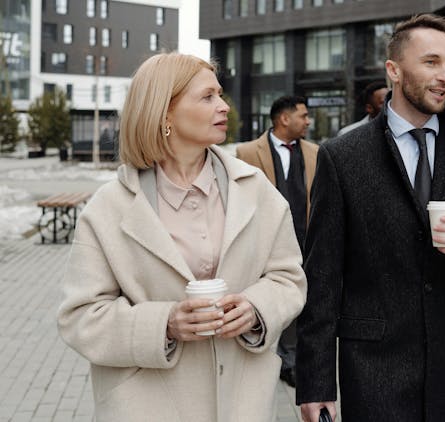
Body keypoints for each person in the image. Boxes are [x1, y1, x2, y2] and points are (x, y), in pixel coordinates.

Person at [296, 14, 445, 422]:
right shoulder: (343, 156)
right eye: (431, 62)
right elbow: (322, 277)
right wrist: (314, 384)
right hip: (373, 369)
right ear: (394, 71)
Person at [57, 52, 306, 422]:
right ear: (165, 113)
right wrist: (165, 324)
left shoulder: (256, 190)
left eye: (220, 95)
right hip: (145, 407)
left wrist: (256, 308)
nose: (224, 106)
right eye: (207, 97)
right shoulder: (108, 208)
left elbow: (289, 279)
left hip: (242, 405)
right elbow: (80, 318)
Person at [236, 95, 318, 387]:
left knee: (300, 300)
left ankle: (292, 359)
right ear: (284, 119)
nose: (308, 121)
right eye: (303, 115)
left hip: (306, 240)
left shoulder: (315, 153)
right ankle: (278, 355)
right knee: (270, 297)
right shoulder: (246, 153)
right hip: (264, 243)